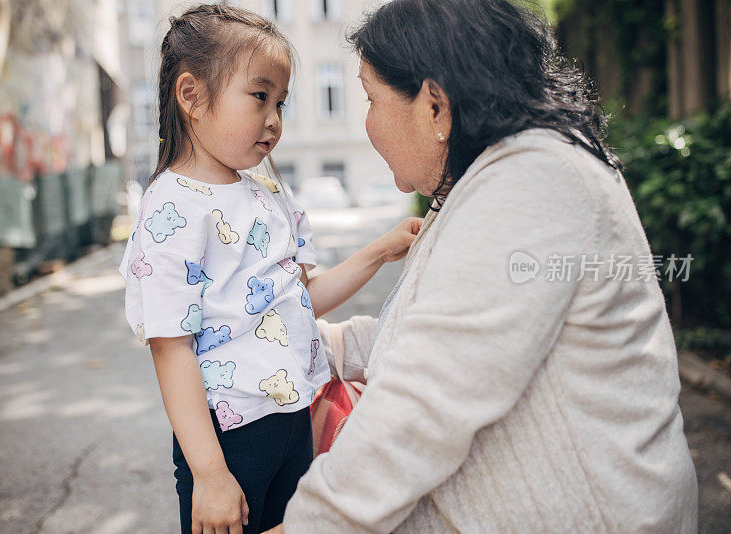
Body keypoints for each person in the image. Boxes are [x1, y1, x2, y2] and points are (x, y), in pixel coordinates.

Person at [267, 0, 699, 532]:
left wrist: (308, 524)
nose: (368, 123)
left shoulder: (534, 184)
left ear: (435, 107)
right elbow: (445, 336)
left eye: (372, 99)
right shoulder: (499, 177)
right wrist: (322, 344)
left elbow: (425, 401)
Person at [117, 5, 421, 534]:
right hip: (229, 438)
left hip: (294, 420)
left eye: (281, 101)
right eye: (260, 97)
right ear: (191, 96)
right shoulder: (173, 208)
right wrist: (210, 474)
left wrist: (379, 251)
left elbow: (297, 302)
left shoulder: (268, 195)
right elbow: (172, 347)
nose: (275, 118)